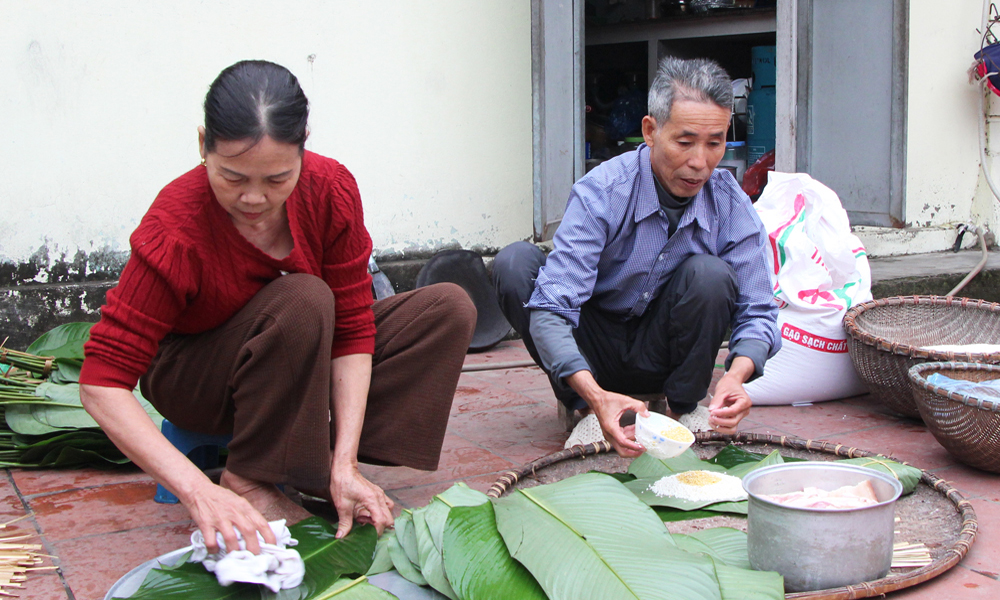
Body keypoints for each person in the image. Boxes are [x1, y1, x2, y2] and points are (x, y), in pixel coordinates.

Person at [79, 60, 476, 554]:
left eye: (276, 179)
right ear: (203, 144)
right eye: (232, 176)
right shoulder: (176, 224)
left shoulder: (330, 188)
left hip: (294, 358)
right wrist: (199, 492)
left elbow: (352, 329)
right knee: (304, 297)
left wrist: (346, 463)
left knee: (445, 310)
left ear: (303, 146)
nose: (253, 198)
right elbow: (101, 382)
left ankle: (322, 466)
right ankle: (247, 479)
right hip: (194, 376)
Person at [493, 56, 779, 458]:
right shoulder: (604, 191)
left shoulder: (729, 202)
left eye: (715, 142)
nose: (700, 161)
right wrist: (593, 394)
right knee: (515, 264)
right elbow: (553, 306)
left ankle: (683, 408)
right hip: (593, 347)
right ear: (650, 130)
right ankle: (585, 409)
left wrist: (737, 375)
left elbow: (759, 307)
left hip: (662, 350)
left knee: (710, 275)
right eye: (684, 142)